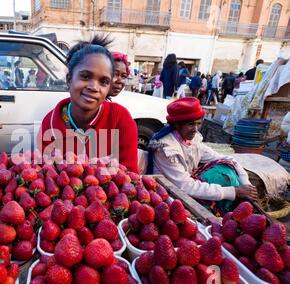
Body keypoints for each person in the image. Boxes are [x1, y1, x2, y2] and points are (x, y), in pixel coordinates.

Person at [40, 35, 139, 173]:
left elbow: (130, 178)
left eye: (103, 81)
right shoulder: (50, 123)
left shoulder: (120, 119)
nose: (94, 87)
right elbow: (45, 175)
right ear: (69, 79)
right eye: (85, 77)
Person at [148, 97, 257, 215]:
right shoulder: (166, 149)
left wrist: (246, 184)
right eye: (190, 124)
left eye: (198, 123)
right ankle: (229, 211)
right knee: (224, 182)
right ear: (176, 125)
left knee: (227, 168)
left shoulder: (193, 140)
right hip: (170, 194)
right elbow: (185, 186)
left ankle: (239, 206)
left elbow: (226, 159)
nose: (195, 129)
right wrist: (233, 192)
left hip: (185, 184)